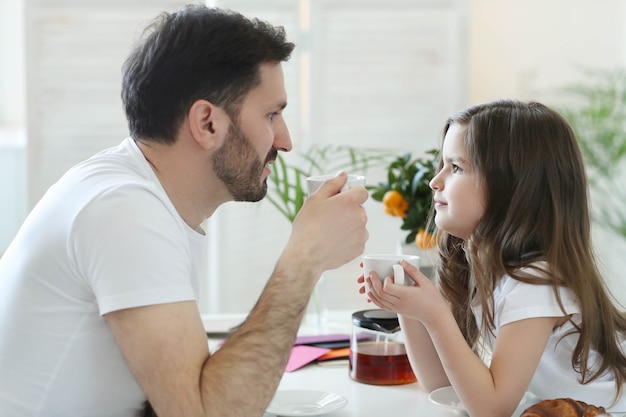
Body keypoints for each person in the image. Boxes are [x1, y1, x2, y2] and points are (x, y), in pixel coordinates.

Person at [0, 5, 369, 417]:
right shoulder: (125, 211)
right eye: (271, 114)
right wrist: (305, 259)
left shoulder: (134, 193)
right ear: (207, 123)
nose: (284, 141)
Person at [359, 99, 626, 416]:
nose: (435, 181)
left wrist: (435, 315)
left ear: (513, 188)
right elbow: (442, 386)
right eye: (442, 164)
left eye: (456, 167)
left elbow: (492, 410)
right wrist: (407, 307)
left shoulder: (535, 282)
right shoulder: (485, 265)